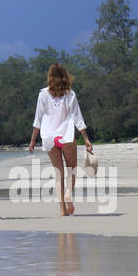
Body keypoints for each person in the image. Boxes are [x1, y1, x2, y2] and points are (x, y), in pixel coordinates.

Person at [27, 63, 93, 216]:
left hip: (49, 137)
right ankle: (69, 193)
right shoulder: (70, 94)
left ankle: (62, 210)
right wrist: (86, 138)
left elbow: (37, 120)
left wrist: (32, 141)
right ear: (65, 76)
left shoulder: (43, 94)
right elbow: (78, 118)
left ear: (50, 77)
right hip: (66, 136)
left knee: (58, 174)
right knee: (72, 170)